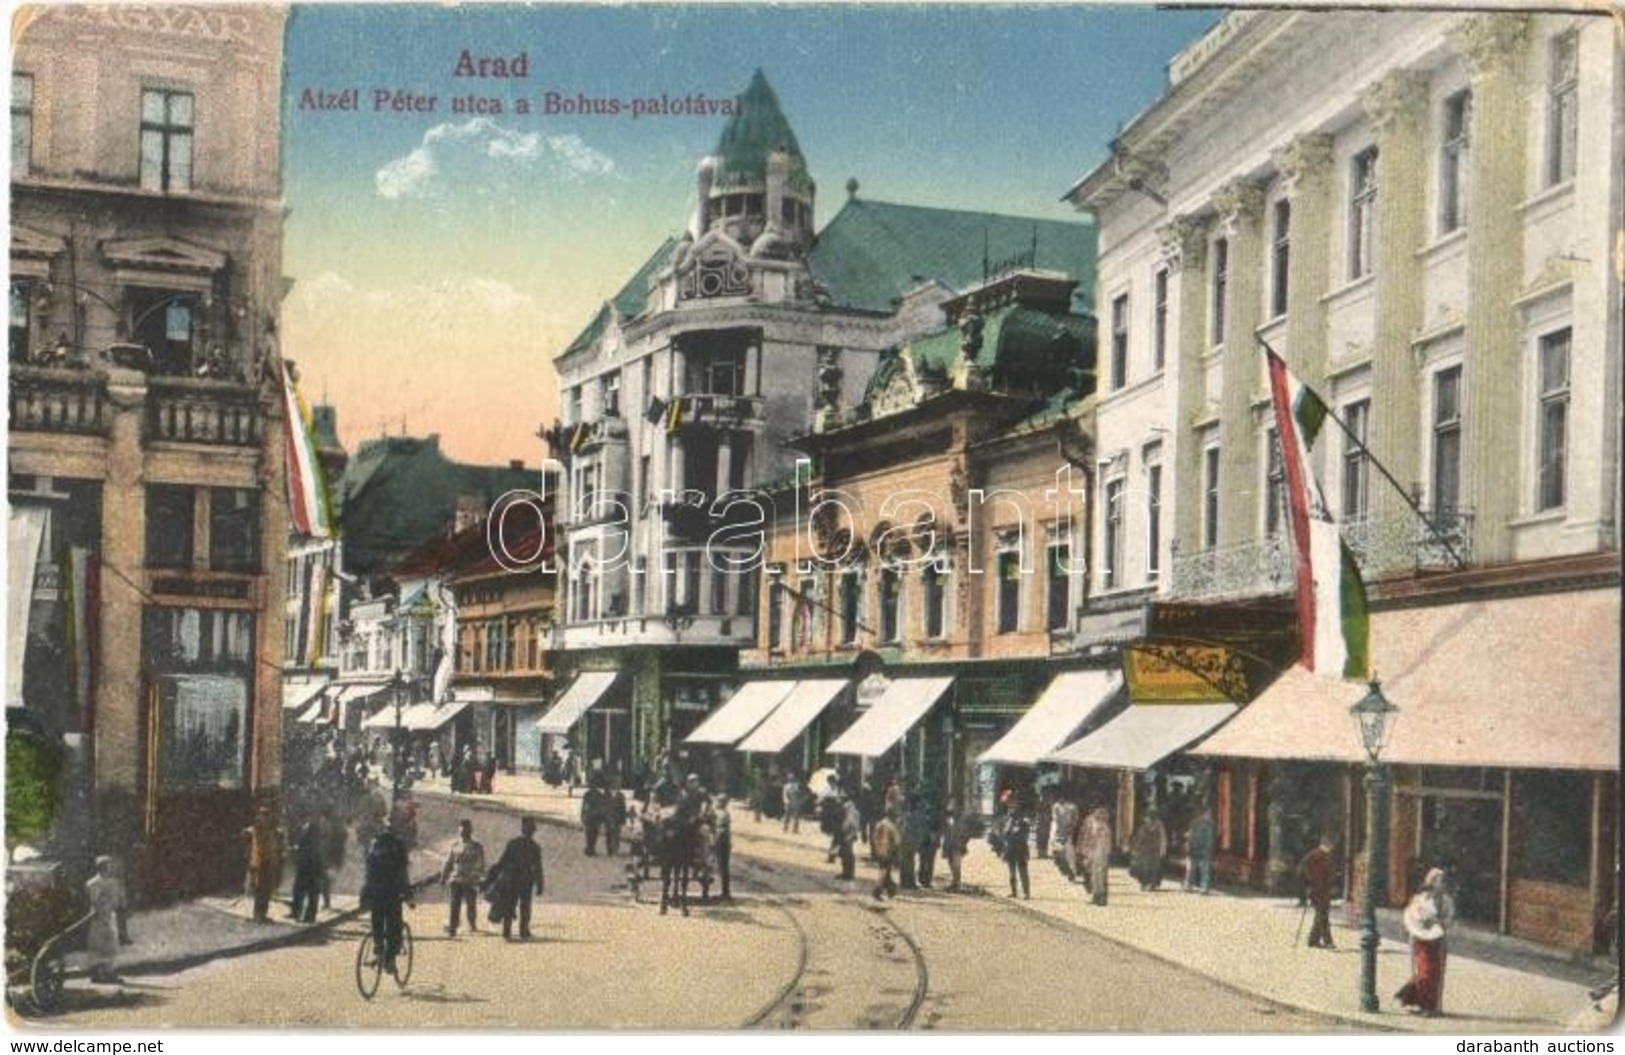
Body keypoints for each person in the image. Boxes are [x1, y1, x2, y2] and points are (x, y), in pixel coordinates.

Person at [1395, 868, 1455, 1016]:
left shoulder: (1445, 901)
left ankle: (1432, 1006)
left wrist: (1439, 922)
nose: (1441, 883)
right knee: (1419, 971)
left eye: (1442, 881)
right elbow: (1412, 914)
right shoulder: (1420, 898)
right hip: (1420, 939)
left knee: (1433, 973)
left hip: (1437, 940)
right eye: (1438, 880)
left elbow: (1449, 920)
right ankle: (1420, 1004)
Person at [360, 817, 414, 973]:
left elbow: (368, 870)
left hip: (375, 890)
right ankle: (389, 960)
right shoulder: (399, 845)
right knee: (394, 926)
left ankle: (378, 948)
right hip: (391, 891)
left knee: (376, 920)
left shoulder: (374, 843)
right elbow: (402, 873)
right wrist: (408, 895)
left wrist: (365, 892)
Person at [484, 817, 545, 941]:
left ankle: (507, 931)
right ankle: (524, 931)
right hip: (526, 880)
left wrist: (491, 877)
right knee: (525, 906)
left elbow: (502, 861)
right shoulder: (534, 847)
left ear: (522, 829)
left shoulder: (513, 843)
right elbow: (538, 867)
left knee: (509, 904)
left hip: (512, 879)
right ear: (533, 831)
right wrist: (540, 884)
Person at [85, 855, 127, 984]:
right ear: (101, 867)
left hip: (110, 916)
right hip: (98, 917)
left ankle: (109, 973)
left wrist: (120, 903)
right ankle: (96, 973)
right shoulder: (92, 883)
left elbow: (120, 899)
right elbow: (95, 900)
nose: (110, 867)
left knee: (111, 945)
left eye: (111, 865)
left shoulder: (115, 882)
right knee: (97, 945)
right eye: (108, 865)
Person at [441, 818, 487, 936]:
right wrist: (444, 876)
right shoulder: (455, 845)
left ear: (470, 830)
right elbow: (449, 862)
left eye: (466, 828)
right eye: (461, 828)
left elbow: (481, 864)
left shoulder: (477, 846)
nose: (463, 830)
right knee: (454, 903)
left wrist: (481, 878)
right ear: (459, 830)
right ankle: (453, 927)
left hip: (470, 880)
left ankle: (472, 924)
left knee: (471, 903)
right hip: (456, 879)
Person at [242, 805, 284, 924]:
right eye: (264, 815)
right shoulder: (258, 828)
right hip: (260, 863)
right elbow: (246, 834)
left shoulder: (269, 829)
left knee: (265, 890)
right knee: (260, 890)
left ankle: (261, 915)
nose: (266, 818)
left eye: (267, 815)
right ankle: (258, 915)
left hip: (267, 862)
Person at [1299, 833, 1337, 949]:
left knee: (1320, 914)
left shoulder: (1324, 855)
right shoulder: (1317, 855)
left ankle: (1313, 940)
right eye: (1331, 845)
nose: (1332, 847)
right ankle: (1328, 941)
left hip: (1322, 890)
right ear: (1327, 844)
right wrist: (1310, 883)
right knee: (1323, 915)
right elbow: (1303, 869)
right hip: (1318, 890)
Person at [290, 819, 325, 924]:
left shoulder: (305, 842)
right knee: (310, 895)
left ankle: (299, 914)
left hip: (305, 870)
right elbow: (318, 858)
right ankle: (308, 916)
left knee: (300, 893)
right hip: (309, 870)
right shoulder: (315, 843)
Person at [1078, 807, 1112, 906]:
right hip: (1094, 854)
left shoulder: (1103, 827)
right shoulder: (1096, 825)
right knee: (1095, 878)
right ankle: (1096, 897)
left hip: (1099, 855)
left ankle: (1101, 898)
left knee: (1100, 878)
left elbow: (1104, 843)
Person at [1000, 798, 1032, 899]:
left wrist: (1011, 833)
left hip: (1020, 848)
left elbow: (1023, 834)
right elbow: (1004, 834)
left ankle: (1026, 892)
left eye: (1013, 807)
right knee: (1011, 871)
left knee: (1023, 871)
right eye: (1010, 807)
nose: (1011, 809)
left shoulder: (1024, 820)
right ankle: (1013, 892)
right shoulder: (1008, 820)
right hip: (1010, 848)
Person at [1129, 808, 1168, 891]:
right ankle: (1146, 884)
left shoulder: (1158, 826)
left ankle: (1150, 884)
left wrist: (1162, 849)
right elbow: (1139, 838)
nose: (1145, 819)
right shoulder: (1145, 826)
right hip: (1146, 851)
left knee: (1153, 868)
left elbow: (1163, 838)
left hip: (1153, 851)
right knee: (1146, 868)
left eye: (1146, 817)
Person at [1185, 805, 1217, 894]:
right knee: (1193, 869)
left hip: (1202, 850)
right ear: (1204, 813)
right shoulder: (1197, 823)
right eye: (1208, 813)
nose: (1209, 815)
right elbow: (1190, 835)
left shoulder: (1210, 824)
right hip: (1196, 849)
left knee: (1202, 870)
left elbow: (1210, 839)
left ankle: (1202, 887)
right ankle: (1191, 886)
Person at [871, 809, 901, 900]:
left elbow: (874, 837)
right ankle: (879, 891)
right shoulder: (891, 826)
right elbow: (896, 841)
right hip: (888, 852)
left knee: (885, 872)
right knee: (885, 872)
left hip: (881, 851)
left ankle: (888, 891)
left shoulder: (880, 824)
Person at [1052, 797, 1080, 882]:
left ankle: (1071, 873)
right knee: (1058, 855)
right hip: (1058, 834)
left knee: (1069, 856)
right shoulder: (1056, 806)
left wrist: (1071, 830)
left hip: (1068, 834)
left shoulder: (1072, 807)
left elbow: (1075, 820)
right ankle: (1066, 871)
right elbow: (1054, 820)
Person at [940, 805, 968, 892]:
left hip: (956, 847)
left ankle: (957, 882)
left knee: (956, 865)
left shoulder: (958, 824)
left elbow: (964, 836)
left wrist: (962, 844)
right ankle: (955, 881)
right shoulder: (949, 823)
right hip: (951, 847)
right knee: (953, 865)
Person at [836, 794, 860, 880]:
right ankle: (846, 872)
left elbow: (851, 824)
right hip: (846, 834)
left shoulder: (851, 810)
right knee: (844, 854)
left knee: (848, 854)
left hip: (849, 834)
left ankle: (849, 874)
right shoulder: (848, 809)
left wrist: (851, 834)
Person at [714, 795, 734, 901]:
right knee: (723, 868)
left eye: (718, 801)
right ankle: (725, 892)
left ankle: (725, 893)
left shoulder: (722, 814)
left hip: (722, 843)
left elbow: (720, 829)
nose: (717, 803)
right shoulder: (722, 813)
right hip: (724, 842)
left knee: (723, 868)